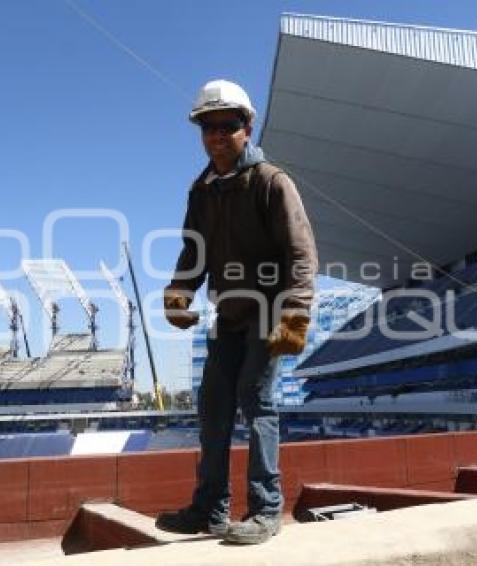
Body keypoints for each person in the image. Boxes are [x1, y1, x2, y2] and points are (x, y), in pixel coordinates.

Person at [155, 79, 318, 545]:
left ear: (247, 128)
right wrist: (179, 292)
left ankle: (266, 511)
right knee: (213, 408)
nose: (216, 135)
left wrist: (296, 314)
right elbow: (194, 252)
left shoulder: (271, 182)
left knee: (256, 399)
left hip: (270, 309)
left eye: (227, 125)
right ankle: (210, 509)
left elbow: (302, 254)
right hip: (228, 314)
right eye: (207, 127)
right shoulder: (202, 190)